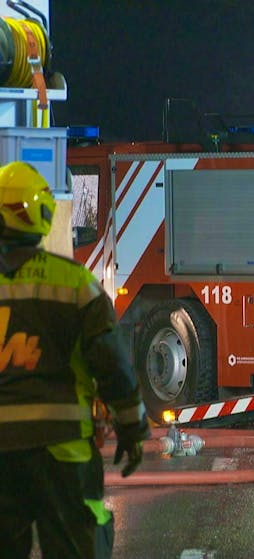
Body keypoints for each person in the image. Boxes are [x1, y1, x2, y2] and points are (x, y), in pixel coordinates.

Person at [0, 161, 149, 559]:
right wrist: (133, 428)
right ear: (42, 214)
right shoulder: (74, 284)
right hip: (61, 453)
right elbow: (112, 364)